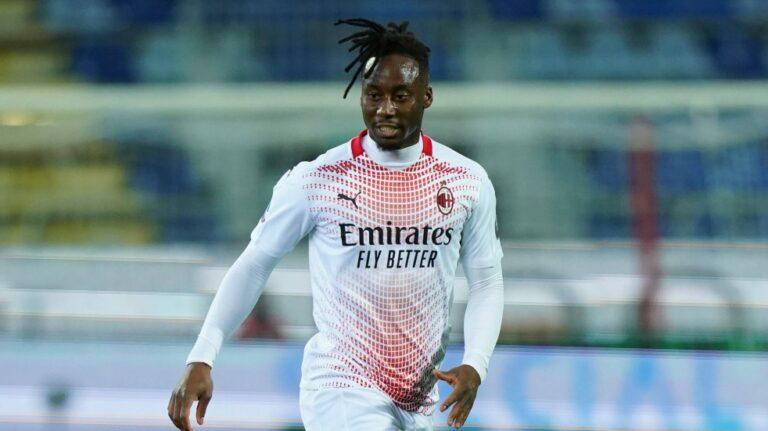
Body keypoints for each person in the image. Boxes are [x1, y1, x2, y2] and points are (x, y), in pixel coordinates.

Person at [168, 18, 504, 431]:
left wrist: (475, 364)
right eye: (374, 95)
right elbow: (255, 264)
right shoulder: (317, 179)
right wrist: (202, 355)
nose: (385, 109)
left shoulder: (466, 181)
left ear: (427, 97)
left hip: (419, 397)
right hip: (340, 386)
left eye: (400, 96)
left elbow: (487, 281)